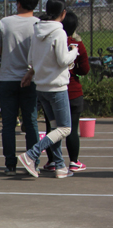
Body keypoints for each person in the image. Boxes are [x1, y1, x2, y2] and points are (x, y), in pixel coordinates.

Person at [18, 0, 78, 179]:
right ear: (63, 13)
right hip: (57, 87)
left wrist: (31, 73)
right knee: (65, 128)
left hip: (41, 86)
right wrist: (73, 51)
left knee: (54, 127)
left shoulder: (37, 30)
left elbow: (32, 58)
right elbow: (62, 60)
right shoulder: (59, 31)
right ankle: (31, 154)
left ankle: (60, 166)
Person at [0, 0, 40, 175]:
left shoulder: (5, 22)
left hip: (7, 78)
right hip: (30, 78)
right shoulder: (38, 24)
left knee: (8, 124)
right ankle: (33, 161)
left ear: (18, 4)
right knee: (31, 121)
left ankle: (10, 164)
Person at [41, 10, 89, 173]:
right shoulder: (77, 45)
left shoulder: (50, 41)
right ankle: (74, 161)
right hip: (73, 91)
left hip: (52, 89)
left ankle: (52, 160)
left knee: (52, 127)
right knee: (71, 129)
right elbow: (85, 69)